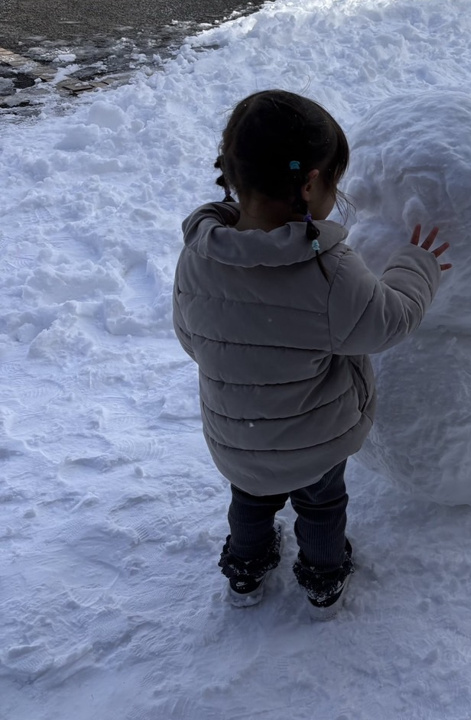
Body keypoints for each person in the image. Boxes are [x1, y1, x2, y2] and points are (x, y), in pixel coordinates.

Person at [172, 90, 451, 616]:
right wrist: (416, 265)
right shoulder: (326, 272)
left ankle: (244, 572)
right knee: (322, 508)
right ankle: (324, 579)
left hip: (237, 438)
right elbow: (388, 320)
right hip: (312, 444)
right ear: (310, 182)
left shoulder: (199, 256)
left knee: (250, 503)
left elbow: (192, 338)